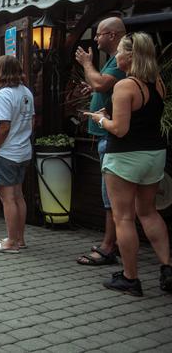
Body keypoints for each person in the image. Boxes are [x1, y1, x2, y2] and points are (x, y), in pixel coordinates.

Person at [85, 32, 171, 296]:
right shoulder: (157, 82)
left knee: (123, 217)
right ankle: (168, 268)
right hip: (154, 154)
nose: (117, 57)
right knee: (148, 212)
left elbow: (120, 130)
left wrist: (99, 119)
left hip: (125, 156)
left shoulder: (125, 85)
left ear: (130, 56)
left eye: (120, 52)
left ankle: (130, 277)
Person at [75, 16, 127, 266]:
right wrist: (92, 87)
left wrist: (87, 64)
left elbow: (100, 82)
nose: (96, 39)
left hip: (111, 136)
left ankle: (109, 247)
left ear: (113, 35)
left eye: (99, 34)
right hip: (106, 136)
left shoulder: (120, 60)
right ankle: (112, 244)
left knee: (111, 199)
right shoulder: (113, 60)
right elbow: (101, 86)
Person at [0, 55, 34, 253]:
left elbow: (4, 127)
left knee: (8, 198)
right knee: (18, 196)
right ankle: (19, 239)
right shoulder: (26, 92)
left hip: (5, 152)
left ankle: (11, 242)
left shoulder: (4, 94)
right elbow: (31, 121)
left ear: (1, 72)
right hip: (21, 150)